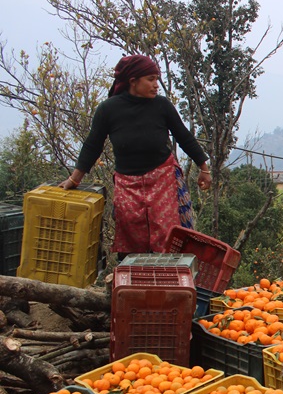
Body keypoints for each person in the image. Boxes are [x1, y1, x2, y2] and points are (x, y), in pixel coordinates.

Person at [60, 54, 212, 258]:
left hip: (162, 180)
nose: (156, 85)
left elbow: (184, 137)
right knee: (131, 239)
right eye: (150, 79)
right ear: (133, 81)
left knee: (167, 238)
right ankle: (133, 283)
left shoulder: (162, 106)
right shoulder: (109, 110)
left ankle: (168, 283)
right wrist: (74, 179)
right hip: (127, 184)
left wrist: (204, 168)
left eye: (157, 79)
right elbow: (92, 145)